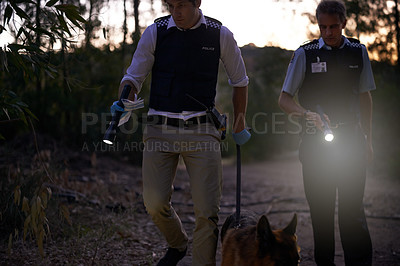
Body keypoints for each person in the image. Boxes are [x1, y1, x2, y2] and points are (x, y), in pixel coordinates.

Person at [112, 0, 250, 265]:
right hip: (159, 129)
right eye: (171, 4)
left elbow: (240, 81)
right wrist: (125, 97)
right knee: (154, 202)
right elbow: (134, 76)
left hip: (203, 130)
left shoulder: (219, 34)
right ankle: (177, 245)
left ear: (197, 2)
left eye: (183, 5)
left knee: (207, 212)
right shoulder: (157, 31)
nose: (177, 12)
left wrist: (239, 123)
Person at [278, 0, 374, 265]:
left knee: (352, 211)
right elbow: (284, 99)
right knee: (321, 212)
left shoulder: (358, 52)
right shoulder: (304, 54)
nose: (328, 32)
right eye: (323, 27)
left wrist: (367, 139)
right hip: (315, 143)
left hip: (352, 140)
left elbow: (366, 98)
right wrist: (304, 113)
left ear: (344, 23)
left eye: (333, 26)